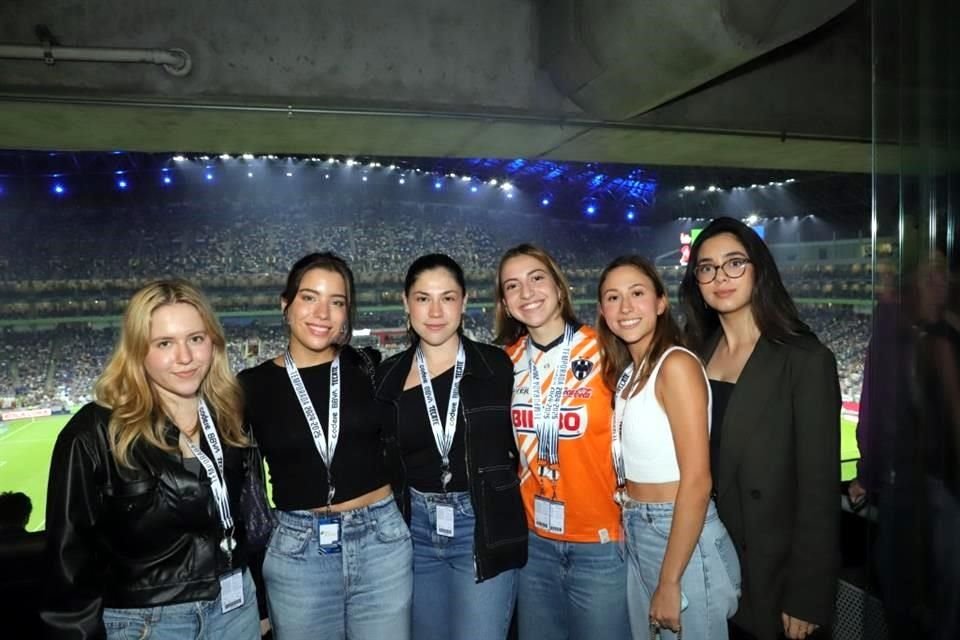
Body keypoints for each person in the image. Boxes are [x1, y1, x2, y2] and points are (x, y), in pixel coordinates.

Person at [42, 279, 260, 639]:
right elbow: (68, 560)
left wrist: (260, 604)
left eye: (196, 338)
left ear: (213, 343)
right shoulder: (94, 432)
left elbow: (246, 520)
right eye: (164, 344)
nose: (185, 357)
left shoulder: (230, 417)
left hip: (237, 609)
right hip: (147, 624)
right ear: (137, 350)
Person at [679, 217, 841, 640]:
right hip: (702, 557)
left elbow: (819, 488)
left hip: (770, 570)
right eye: (707, 267)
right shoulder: (692, 353)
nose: (720, 277)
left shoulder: (805, 359)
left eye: (735, 263)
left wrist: (807, 595)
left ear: (759, 270)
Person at [238, 252, 412, 640]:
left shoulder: (369, 367)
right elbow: (234, 488)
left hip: (381, 541)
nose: (323, 312)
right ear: (286, 305)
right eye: (309, 297)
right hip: (299, 551)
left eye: (337, 302)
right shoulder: (250, 386)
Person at [375, 253, 527, 640]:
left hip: (482, 524)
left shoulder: (499, 367)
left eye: (447, 297)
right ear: (406, 303)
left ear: (464, 301)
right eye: (423, 298)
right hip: (415, 533)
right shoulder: (385, 378)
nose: (436, 310)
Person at [597, 255, 741, 639]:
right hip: (637, 523)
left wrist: (670, 579)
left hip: (677, 533)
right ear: (602, 310)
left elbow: (697, 479)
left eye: (637, 293)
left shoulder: (676, 365)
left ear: (661, 303)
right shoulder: (628, 373)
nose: (625, 307)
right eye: (612, 297)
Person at [495, 243, 629, 640]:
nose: (527, 292)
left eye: (537, 278)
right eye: (513, 286)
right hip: (535, 546)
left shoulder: (608, 351)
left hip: (601, 544)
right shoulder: (505, 363)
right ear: (505, 301)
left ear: (558, 286)